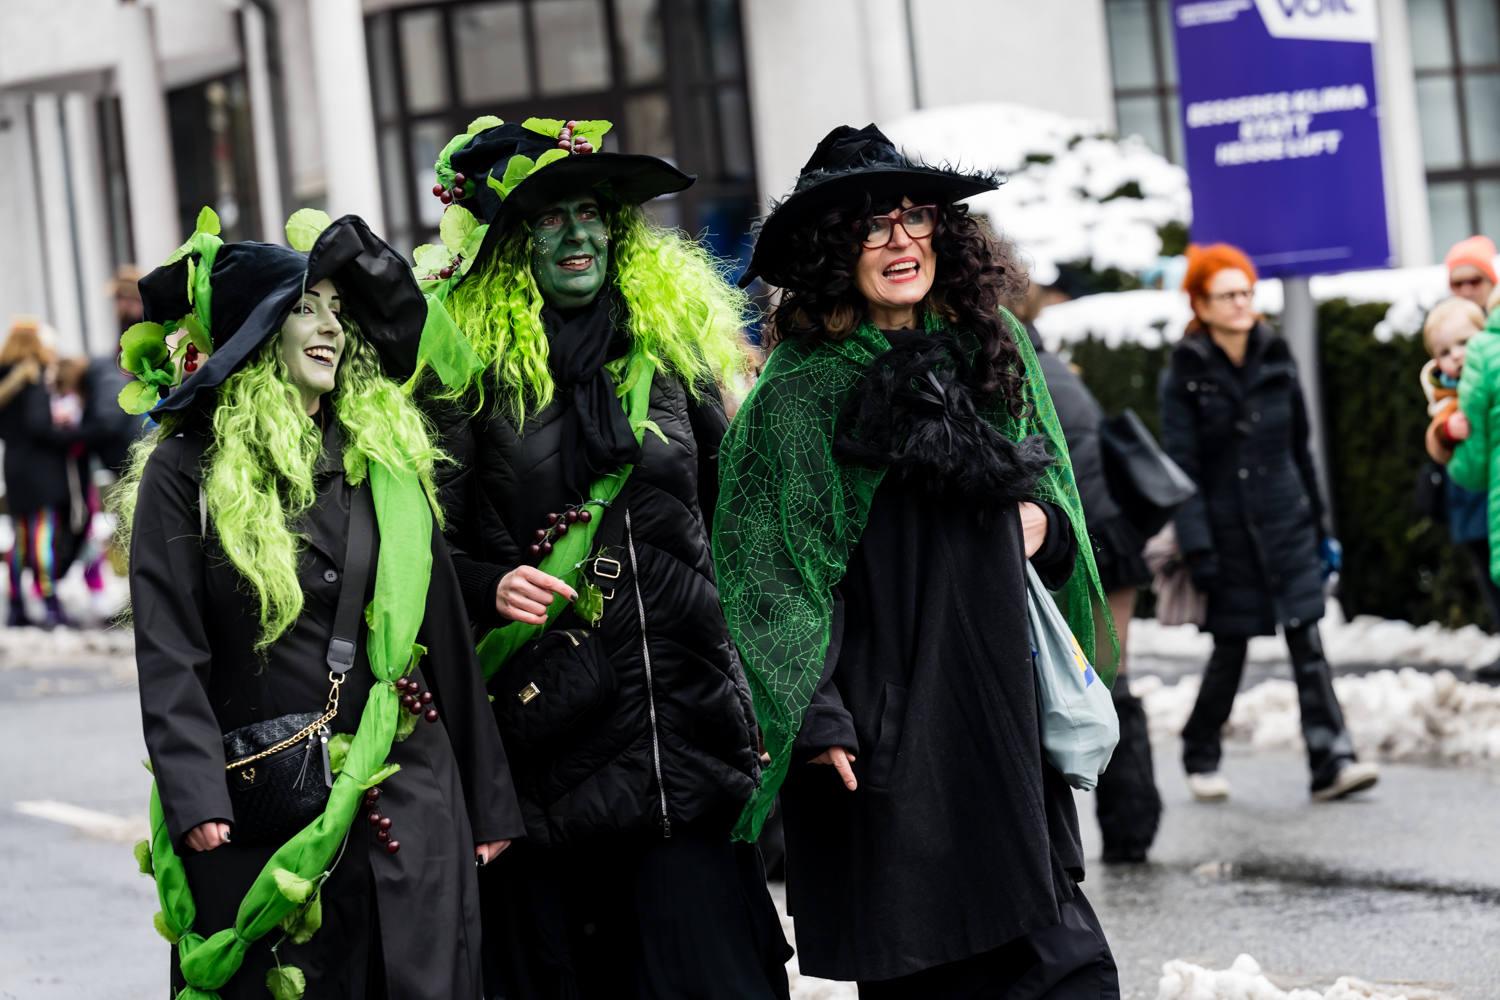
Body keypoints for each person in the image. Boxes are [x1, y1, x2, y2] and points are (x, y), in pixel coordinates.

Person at [716, 124, 1119, 995]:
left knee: (1067, 966)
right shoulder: (799, 392)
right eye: (873, 225)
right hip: (886, 743)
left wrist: (1042, 527)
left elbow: (1054, 500)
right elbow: (766, 574)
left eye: (917, 216)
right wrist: (816, 717)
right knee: (927, 965)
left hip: (1000, 715)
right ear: (834, 249)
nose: (902, 240)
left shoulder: (990, 349)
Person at [422, 117, 789, 999]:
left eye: (592, 214)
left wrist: (771, 697)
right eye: (549, 219)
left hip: (685, 742)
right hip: (557, 753)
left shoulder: (671, 358)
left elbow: (739, 524)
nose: (578, 234)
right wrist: (488, 582)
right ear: (511, 242)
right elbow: (423, 547)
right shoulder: (467, 379)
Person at [118, 209, 524, 1000]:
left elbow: (440, 634)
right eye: (307, 307)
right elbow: (169, 648)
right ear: (256, 332)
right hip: (261, 808)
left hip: (407, 798)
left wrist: (489, 800)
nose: (330, 327)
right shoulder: (184, 471)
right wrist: (196, 793)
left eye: (340, 311)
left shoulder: (386, 464)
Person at [1160, 243, 1378, 804]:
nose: (1241, 304)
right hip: (1227, 534)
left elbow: (1301, 452)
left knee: (1308, 641)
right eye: (1227, 295)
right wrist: (1199, 545)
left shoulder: (1278, 357)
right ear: (1201, 304)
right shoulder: (1185, 373)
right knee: (1231, 647)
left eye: (1246, 293)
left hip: (1287, 524)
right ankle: (1199, 750)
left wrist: (1320, 525)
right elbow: (1182, 470)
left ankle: (1332, 760)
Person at [1011, 284, 1161, 865]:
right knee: (1108, 674)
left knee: (1101, 679)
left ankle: (1129, 826)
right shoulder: (1054, 368)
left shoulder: (1022, 372)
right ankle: (1132, 823)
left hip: (1087, 544)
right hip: (1108, 537)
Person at [0, 318, 79, 627]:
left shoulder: (5, 379)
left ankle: (17, 604)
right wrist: (67, 432)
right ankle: (50, 604)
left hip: (15, 465)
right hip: (41, 467)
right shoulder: (33, 378)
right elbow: (38, 425)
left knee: (20, 537)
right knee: (44, 534)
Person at [1445, 236, 1496, 310]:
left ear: (1492, 283)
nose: (1466, 292)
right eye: (1458, 284)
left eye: (1474, 281)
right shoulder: (1438, 319)